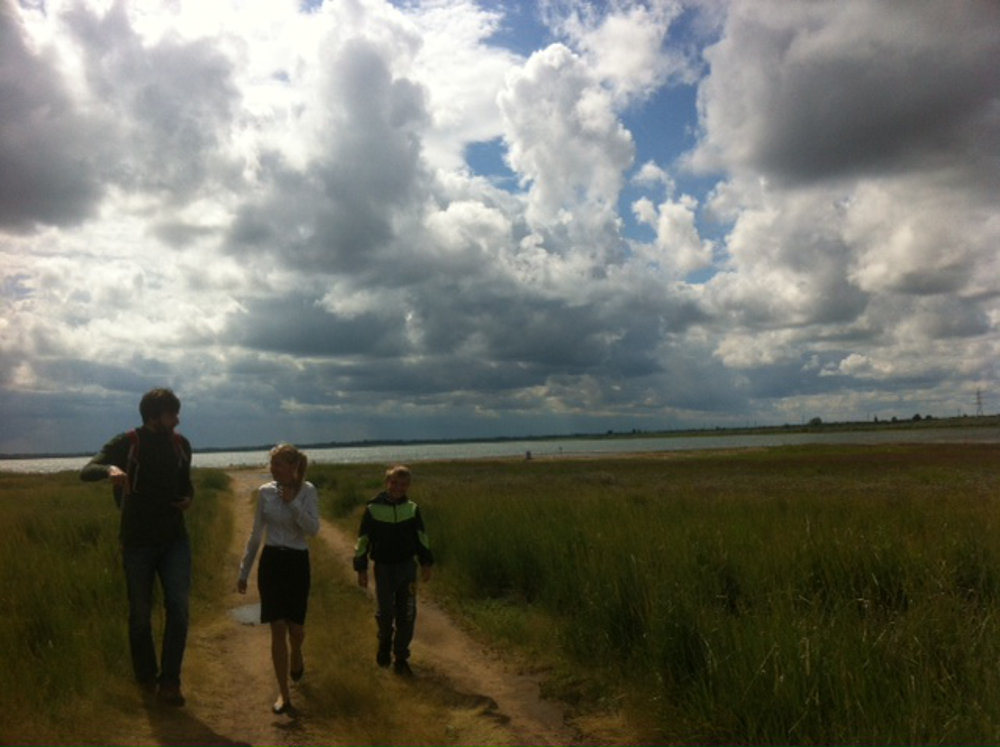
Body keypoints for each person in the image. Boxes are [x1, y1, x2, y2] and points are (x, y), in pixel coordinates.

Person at [80, 387, 194, 707]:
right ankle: (146, 679)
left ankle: (170, 682)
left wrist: (189, 499)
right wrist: (110, 470)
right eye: (172, 413)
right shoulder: (127, 442)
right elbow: (87, 470)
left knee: (179, 610)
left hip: (175, 540)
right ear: (154, 415)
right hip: (137, 544)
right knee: (140, 614)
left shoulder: (181, 445)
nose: (178, 419)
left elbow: (187, 485)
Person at [238, 444, 320, 715]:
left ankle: (297, 654)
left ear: (293, 467)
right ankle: (284, 695)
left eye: (278, 464)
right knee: (277, 628)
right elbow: (255, 534)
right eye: (272, 464)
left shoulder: (308, 491)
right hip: (271, 561)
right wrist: (243, 571)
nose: (273, 469)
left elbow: (313, 530)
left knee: (296, 630)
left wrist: (292, 503)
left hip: (297, 563)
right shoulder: (264, 493)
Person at [353, 464, 434, 676]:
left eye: (403, 484)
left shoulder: (412, 509)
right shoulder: (373, 509)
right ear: (387, 483)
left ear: (408, 486)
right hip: (384, 568)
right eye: (394, 483)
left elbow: (421, 538)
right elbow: (363, 541)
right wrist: (361, 568)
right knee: (386, 612)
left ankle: (401, 658)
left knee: (407, 613)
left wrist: (426, 563)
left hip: (407, 568)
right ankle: (384, 643)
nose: (398, 487)